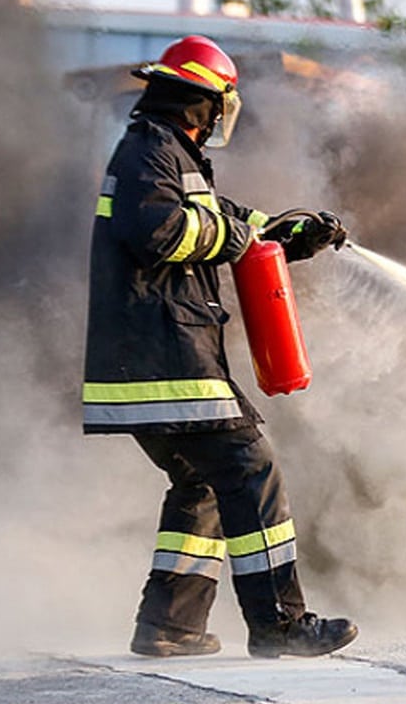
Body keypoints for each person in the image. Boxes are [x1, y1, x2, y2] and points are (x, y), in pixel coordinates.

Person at [82, 35, 357, 659]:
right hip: (167, 359)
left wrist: (290, 233)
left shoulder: (166, 153)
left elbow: (234, 221)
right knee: (250, 469)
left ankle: (170, 627)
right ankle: (280, 624)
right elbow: (160, 231)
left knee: (201, 485)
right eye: (220, 105)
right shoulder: (150, 152)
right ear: (202, 104)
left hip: (153, 358)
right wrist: (236, 236)